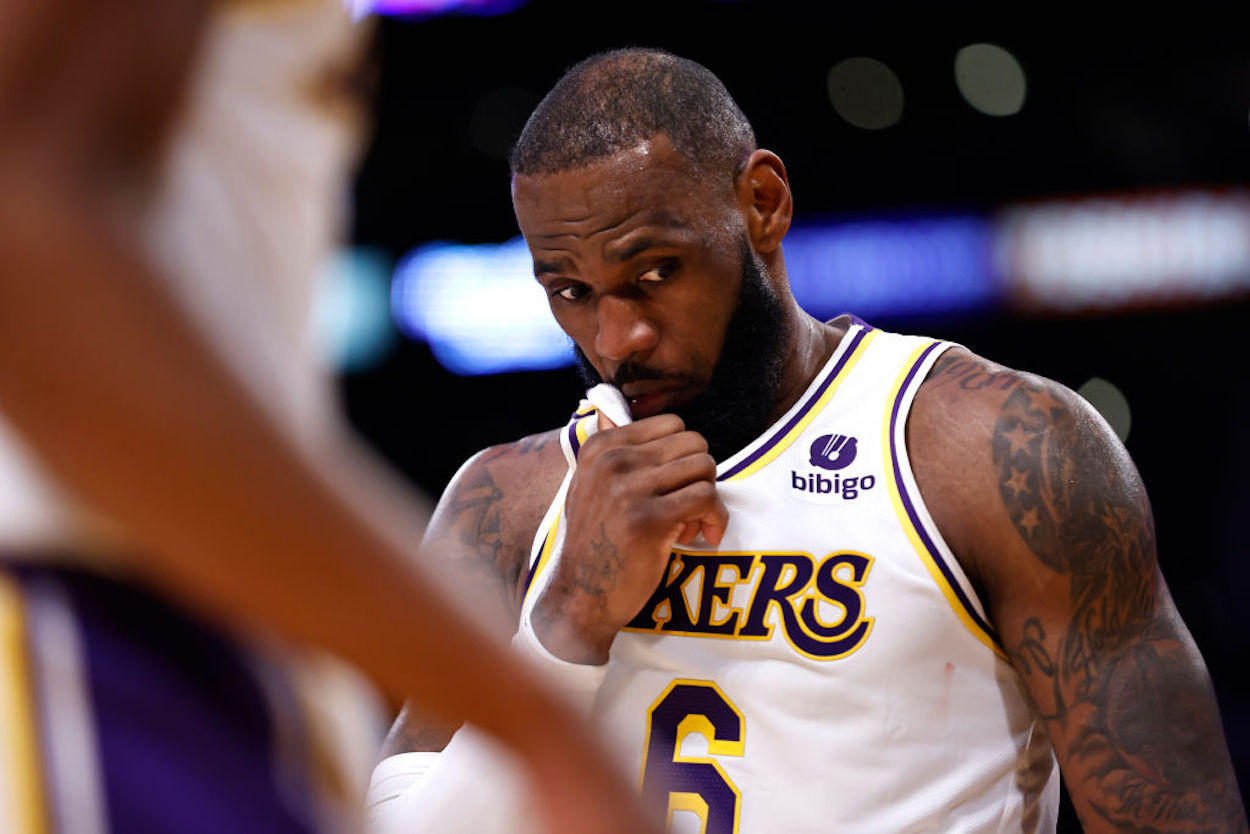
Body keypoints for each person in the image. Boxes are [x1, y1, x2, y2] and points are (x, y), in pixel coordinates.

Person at [369, 48, 1249, 833]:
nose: (615, 339)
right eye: (568, 290)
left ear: (762, 203)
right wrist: (566, 621)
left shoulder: (992, 451)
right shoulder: (510, 503)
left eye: (653, 274)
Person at [0, 3, 659, 833]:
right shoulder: (510, 485)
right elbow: (25, 229)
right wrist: (534, 710)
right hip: (94, 631)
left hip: (212, 632)